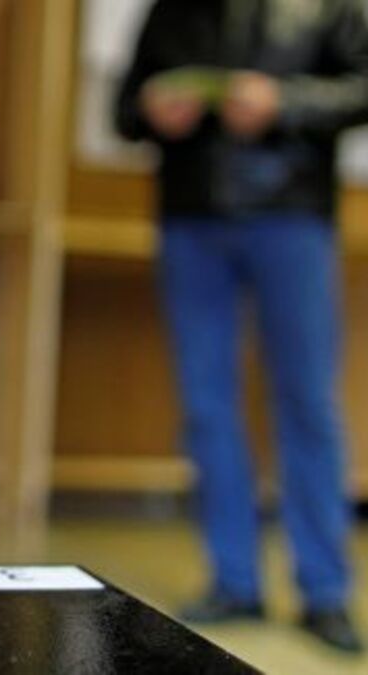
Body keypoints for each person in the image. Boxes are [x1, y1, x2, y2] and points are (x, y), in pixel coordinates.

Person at [116, 0, 368, 653]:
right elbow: (124, 110)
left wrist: (285, 102)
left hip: (293, 214)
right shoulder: (173, 11)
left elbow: (361, 87)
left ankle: (325, 590)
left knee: (307, 400)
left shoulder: (330, 5)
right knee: (206, 404)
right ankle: (234, 580)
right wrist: (151, 111)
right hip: (192, 218)